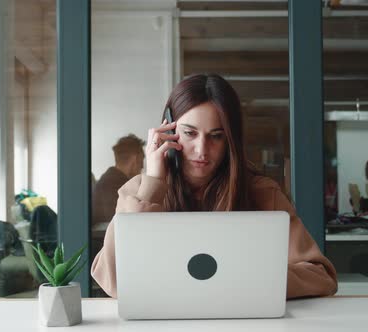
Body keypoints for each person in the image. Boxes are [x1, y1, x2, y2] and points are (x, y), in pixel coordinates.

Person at [91, 73, 337, 299]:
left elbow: (321, 276)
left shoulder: (261, 192)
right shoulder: (139, 191)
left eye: (216, 136)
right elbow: (112, 281)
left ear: (230, 141)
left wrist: (256, 280)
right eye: (189, 133)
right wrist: (154, 182)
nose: (201, 150)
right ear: (168, 131)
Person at [92, 134, 145, 227]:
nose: (142, 167)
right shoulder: (119, 187)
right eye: (142, 160)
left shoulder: (108, 181)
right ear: (135, 159)